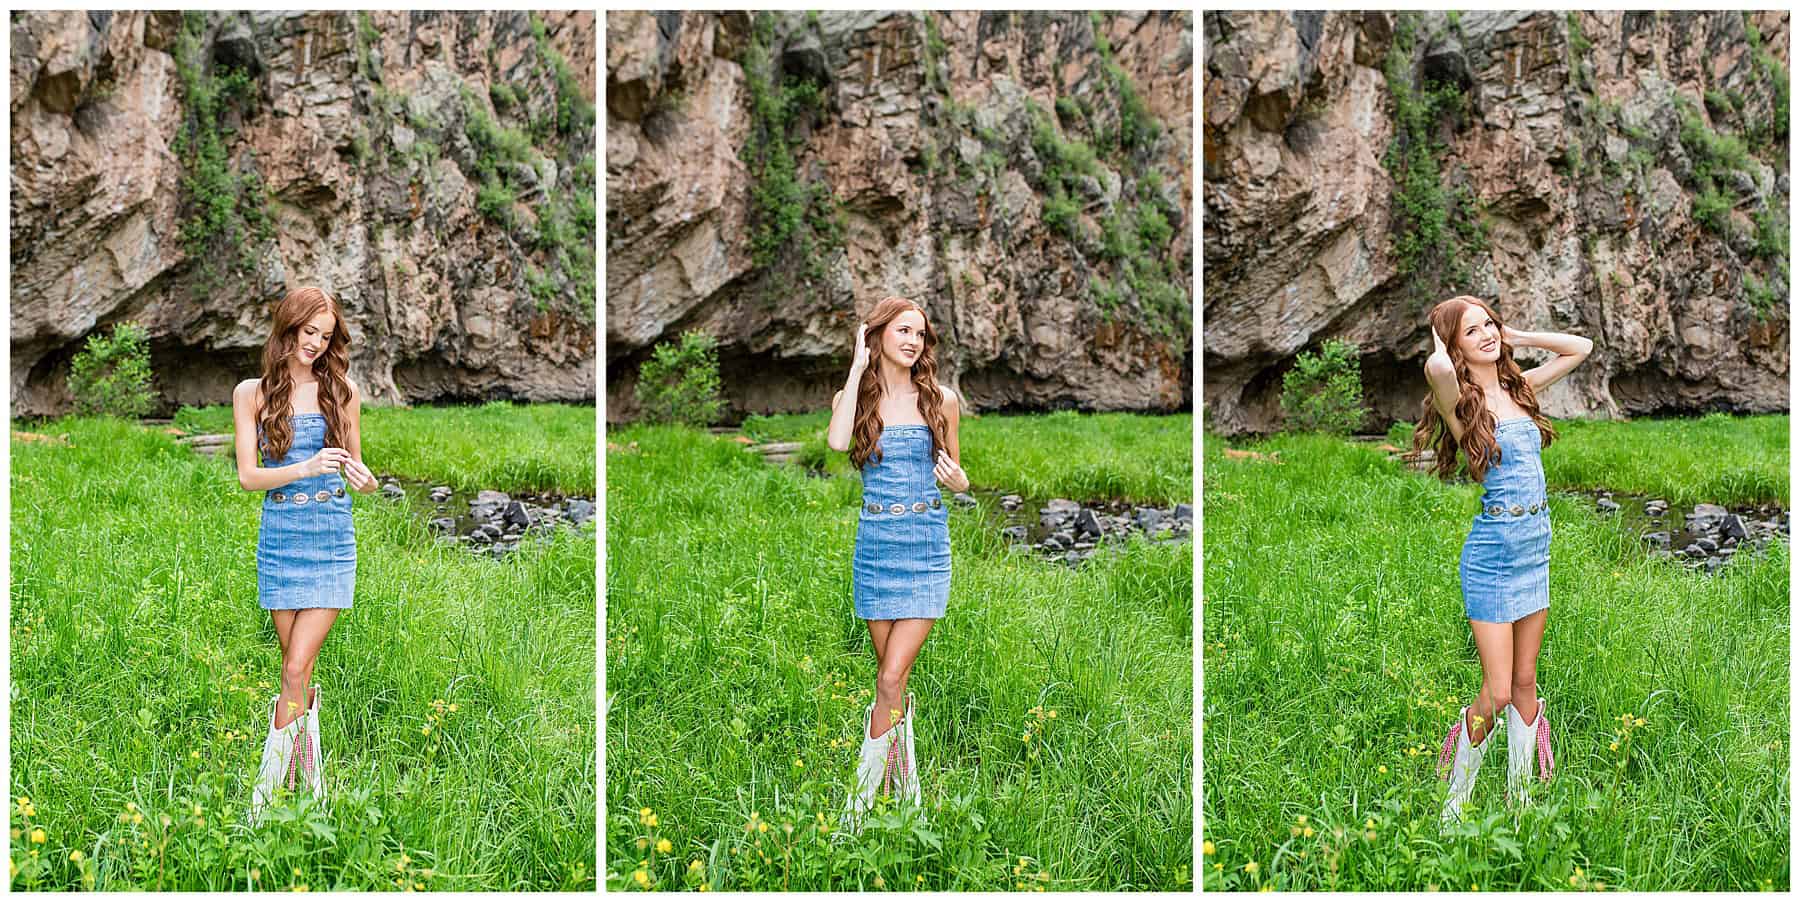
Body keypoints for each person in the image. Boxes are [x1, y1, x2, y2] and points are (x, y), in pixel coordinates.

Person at [1414, 295, 1593, 823]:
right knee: (1494, 691)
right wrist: (1443, 331)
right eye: (1475, 331)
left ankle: (1520, 800)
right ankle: (1455, 801)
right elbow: (1437, 366)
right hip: (1492, 553)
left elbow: (1578, 347)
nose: (1488, 334)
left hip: (1535, 547)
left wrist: (1517, 335)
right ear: (1455, 345)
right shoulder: (1461, 404)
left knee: (1524, 683)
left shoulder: (1521, 389)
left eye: (1490, 324)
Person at [230, 286, 380, 821]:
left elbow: (358, 473)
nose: (316, 343)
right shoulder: (251, 393)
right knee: (296, 671)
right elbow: (250, 477)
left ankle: (266, 797)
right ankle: (309, 785)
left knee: (295, 667)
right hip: (280, 539)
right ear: (288, 329)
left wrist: (364, 481)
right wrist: (306, 467)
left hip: (332, 539)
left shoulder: (343, 393)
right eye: (307, 331)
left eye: (325, 335)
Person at [826, 296, 968, 829]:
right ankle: (903, 798)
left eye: (921, 334)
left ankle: (859, 808)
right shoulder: (854, 399)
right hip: (876, 546)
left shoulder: (942, 400)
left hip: (926, 546)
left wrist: (961, 483)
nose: (913, 341)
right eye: (903, 331)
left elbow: (957, 472)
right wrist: (857, 366)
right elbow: (839, 441)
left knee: (889, 678)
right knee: (894, 682)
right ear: (879, 335)